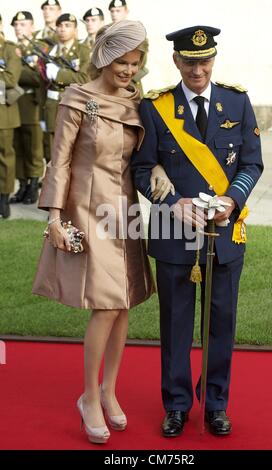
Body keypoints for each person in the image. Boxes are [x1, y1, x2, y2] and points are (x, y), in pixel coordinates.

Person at [32, 20, 174, 445]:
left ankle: (110, 390)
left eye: (135, 63)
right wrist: (54, 217)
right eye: (122, 62)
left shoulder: (136, 102)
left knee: (126, 301)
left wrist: (161, 169)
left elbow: (147, 153)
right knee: (107, 305)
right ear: (104, 57)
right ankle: (89, 397)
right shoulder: (78, 98)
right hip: (87, 207)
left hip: (124, 207)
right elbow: (59, 160)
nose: (129, 71)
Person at [131, 25, 264, 437]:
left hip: (224, 233)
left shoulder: (236, 101)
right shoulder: (157, 107)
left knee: (220, 322)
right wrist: (172, 204)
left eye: (204, 61)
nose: (197, 69)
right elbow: (140, 168)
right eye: (189, 61)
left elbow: (252, 163)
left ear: (213, 60)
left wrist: (232, 201)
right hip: (175, 233)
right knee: (175, 324)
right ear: (176, 61)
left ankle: (217, 406)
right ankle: (176, 405)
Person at [42, 13, 90, 163]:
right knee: (52, 152)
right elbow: (40, 83)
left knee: (73, 150)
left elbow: (85, 78)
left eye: (68, 26)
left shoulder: (83, 51)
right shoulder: (49, 51)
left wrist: (59, 74)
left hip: (72, 106)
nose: (63, 29)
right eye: (60, 26)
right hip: (51, 106)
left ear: (75, 30)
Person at [10, 11, 44, 205]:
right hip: (14, 104)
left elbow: (38, 77)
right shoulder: (11, 48)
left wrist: (14, 73)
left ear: (31, 26)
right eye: (16, 25)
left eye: (23, 24)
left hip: (31, 104)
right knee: (19, 147)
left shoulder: (39, 48)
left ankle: (33, 184)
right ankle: (22, 185)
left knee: (33, 147)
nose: (18, 28)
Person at [0, 14, 22, 218]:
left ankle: (4, 199)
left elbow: (10, 78)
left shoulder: (9, 49)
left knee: (5, 156)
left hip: (3, 113)